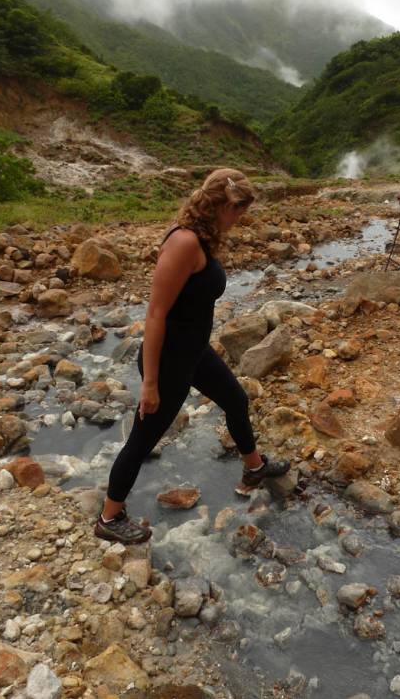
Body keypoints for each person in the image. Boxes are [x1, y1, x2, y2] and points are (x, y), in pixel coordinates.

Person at [95, 168, 290, 545]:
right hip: (169, 361)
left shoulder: (202, 236)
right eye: (237, 209)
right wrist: (149, 383)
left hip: (194, 353)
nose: (240, 217)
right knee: (142, 439)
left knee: (236, 400)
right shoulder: (184, 242)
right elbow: (155, 313)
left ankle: (254, 468)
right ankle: (109, 515)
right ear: (218, 205)